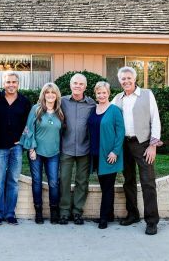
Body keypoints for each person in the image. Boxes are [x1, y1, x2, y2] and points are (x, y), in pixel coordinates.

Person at [113, 66, 163, 235]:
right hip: (124, 144)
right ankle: (132, 214)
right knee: (128, 180)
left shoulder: (147, 95)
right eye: (123, 79)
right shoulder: (117, 98)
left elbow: (155, 119)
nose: (126, 81)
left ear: (135, 79)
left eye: (129, 78)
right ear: (120, 81)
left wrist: (153, 145)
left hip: (143, 143)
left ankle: (152, 221)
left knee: (148, 182)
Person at [19, 83, 64, 224]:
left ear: (57, 95)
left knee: (53, 183)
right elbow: (29, 129)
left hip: (54, 153)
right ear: (43, 95)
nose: (50, 95)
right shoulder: (36, 109)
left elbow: (61, 133)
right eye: (47, 92)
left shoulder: (60, 112)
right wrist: (31, 149)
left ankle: (54, 211)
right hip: (36, 153)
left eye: (53, 92)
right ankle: (38, 211)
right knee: (37, 182)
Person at [0, 72, 31, 225]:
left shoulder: (24, 101)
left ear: (18, 84)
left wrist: (22, 140)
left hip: (16, 147)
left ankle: (10, 213)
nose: (11, 85)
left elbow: (28, 125)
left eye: (14, 82)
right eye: (8, 82)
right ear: (3, 83)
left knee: (13, 181)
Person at [58, 73, 96, 225]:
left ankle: (77, 212)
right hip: (66, 147)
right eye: (75, 83)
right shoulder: (62, 102)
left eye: (81, 84)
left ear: (85, 87)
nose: (77, 86)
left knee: (82, 181)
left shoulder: (92, 104)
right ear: (70, 85)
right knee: (64, 181)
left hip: (84, 148)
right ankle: (64, 212)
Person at [87, 81, 125, 229]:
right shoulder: (93, 109)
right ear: (95, 94)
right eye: (99, 93)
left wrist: (115, 151)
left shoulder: (114, 110)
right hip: (95, 154)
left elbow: (120, 132)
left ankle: (104, 218)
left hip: (109, 155)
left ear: (109, 94)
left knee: (108, 187)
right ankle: (109, 214)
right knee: (104, 186)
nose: (101, 95)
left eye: (104, 92)